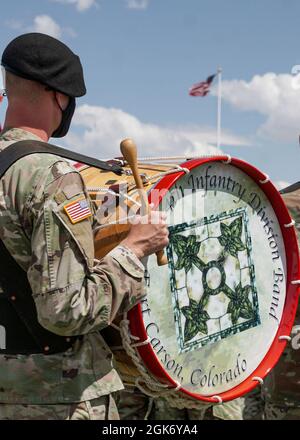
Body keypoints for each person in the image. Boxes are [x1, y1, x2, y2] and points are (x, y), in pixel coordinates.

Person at [0, 33, 169, 420]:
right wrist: (135, 249)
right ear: (59, 96)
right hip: (55, 396)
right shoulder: (52, 176)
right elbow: (66, 311)